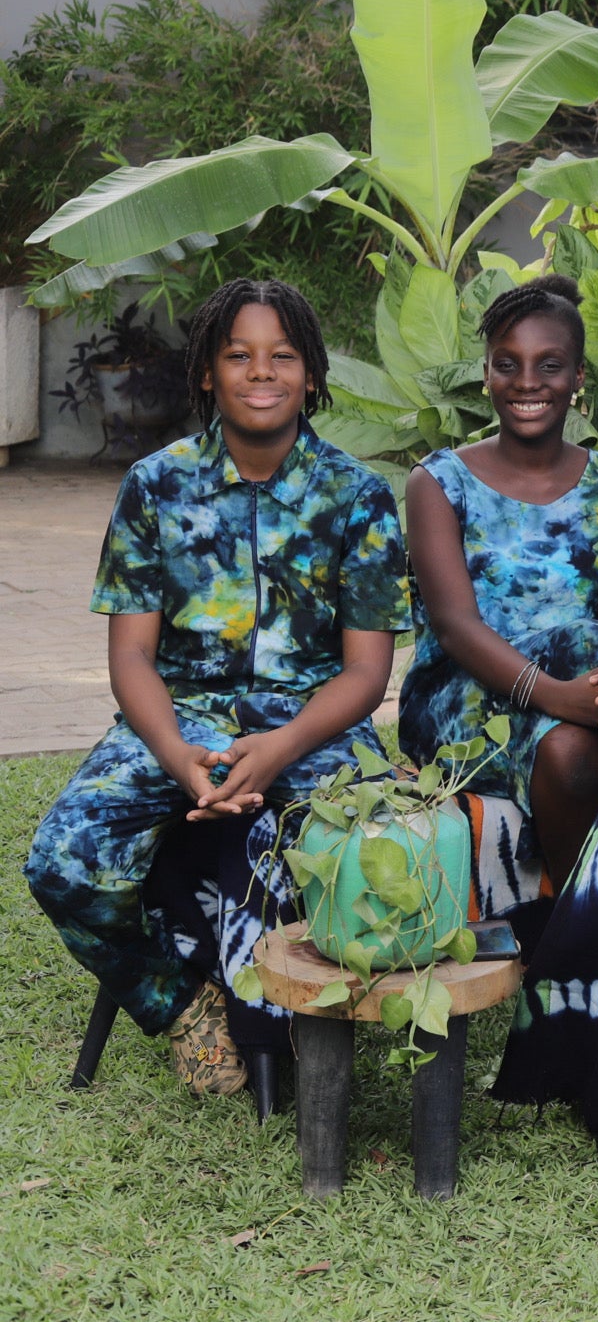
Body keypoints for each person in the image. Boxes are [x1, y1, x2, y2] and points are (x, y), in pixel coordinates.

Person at [25, 279, 409, 1097]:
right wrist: (175, 756)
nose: (260, 372)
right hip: (181, 716)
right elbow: (132, 658)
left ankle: (328, 1023)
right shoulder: (154, 487)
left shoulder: (360, 497)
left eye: (282, 355)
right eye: (238, 355)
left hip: (315, 724)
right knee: (62, 860)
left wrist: (280, 749)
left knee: (387, 860)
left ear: (310, 374)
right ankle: (182, 1005)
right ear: (207, 372)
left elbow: (367, 673)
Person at [399, 276, 598, 876]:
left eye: (550, 365)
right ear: (486, 374)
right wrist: (559, 695)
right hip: (460, 697)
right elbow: (455, 628)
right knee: (588, 645)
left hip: (580, 698)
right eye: (507, 364)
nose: (528, 382)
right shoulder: (439, 483)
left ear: (579, 377)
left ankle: (575, 933)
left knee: (570, 754)